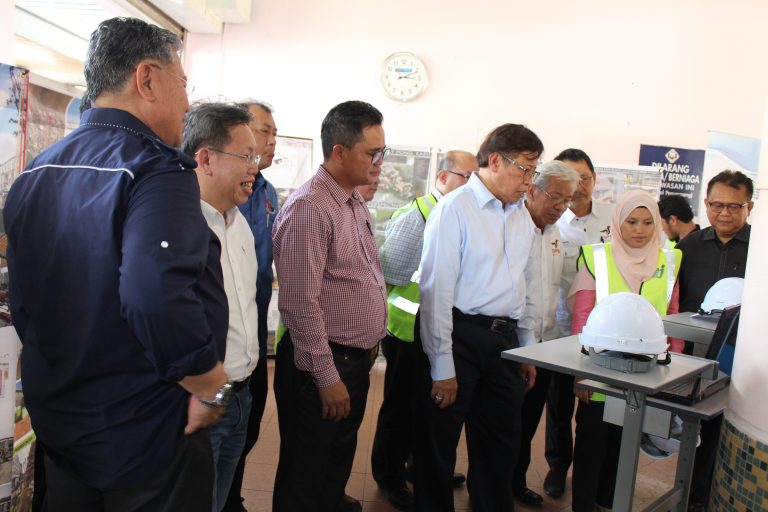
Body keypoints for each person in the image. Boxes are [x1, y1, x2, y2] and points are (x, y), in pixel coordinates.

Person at [3, 17, 228, 511]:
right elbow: (155, 294)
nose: (187, 104)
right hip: (146, 432)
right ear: (146, 78)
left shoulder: (35, 173)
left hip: (63, 424)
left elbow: (24, 307)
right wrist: (206, 380)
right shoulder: (156, 170)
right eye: (183, 84)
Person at [414, 124, 540, 512]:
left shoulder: (521, 216)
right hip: (460, 336)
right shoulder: (455, 209)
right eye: (525, 169)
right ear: (496, 161)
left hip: (505, 343)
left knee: (500, 443)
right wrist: (442, 366)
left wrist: (528, 348)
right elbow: (437, 293)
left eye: (534, 171)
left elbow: (528, 285)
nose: (529, 182)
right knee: (439, 444)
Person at [271, 100, 387, 512]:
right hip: (324, 363)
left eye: (383, 152)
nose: (379, 163)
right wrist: (326, 376)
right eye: (372, 153)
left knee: (334, 459)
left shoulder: (352, 201)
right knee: (306, 469)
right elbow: (300, 303)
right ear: (339, 151)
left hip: (353, 360)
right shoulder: (311, 207)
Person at [371, 150, 477, 511]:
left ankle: (418, 466)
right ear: (443, 177)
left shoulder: (459, 214)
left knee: (427, 405)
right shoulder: (418, 213)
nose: (472, 185)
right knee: (400, 408)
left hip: (439, 328)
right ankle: (389, 476)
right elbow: (390, 270)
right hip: (407, 327)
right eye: (466, 177)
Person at [568, 190, 683, 512]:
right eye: (631, 222)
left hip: (646, 374)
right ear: (618, 223)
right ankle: (583, 505)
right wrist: (581, 373)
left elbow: (674, 317)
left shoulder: (669, 259)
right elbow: (581, 317)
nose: (639, 229)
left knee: (625, 444)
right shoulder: (597, 257)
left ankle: (609, 503)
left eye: (647, 222)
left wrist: (673, 370)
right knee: (592, 443)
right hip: (599, 372)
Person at [182, 102, 261, 511]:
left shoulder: (239, 222)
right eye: (245, 157)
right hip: (200, 401)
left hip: (239, 395)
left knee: (221, 497)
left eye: (256, 158)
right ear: (206, 159)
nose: (254, 168)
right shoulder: (181, 225)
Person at [676, 170, 753, 512]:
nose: (724, 213)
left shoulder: (760, 248)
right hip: (694, 353)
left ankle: (707, 498)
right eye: (717, 204)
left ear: (749, 206)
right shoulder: (689, 245)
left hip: (740, 356)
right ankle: (690, 496)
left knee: (725, 429)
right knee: (694, 428)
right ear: (706, 203)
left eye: (734, 206)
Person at [544, 148, 613, 498]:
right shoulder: (551, 221)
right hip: (560, 331)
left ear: (594, 179)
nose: (579, 186)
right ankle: (557, 467)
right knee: (558, 405)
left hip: (602, 334)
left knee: (592, 406)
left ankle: (589, 475)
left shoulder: (613, 220)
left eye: (584, 178)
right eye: (570, 179)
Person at [512, 161, 580, 507]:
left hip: (543, 346)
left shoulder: (555, 234)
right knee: (503, 424)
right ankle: (490, 487)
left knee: (527, 423)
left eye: (567, 200)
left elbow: (551, 291)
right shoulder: (512, 226)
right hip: (511, 344)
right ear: (533, 189)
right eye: (555, 197)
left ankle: (515, 481)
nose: (561, 207)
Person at [224, 99, 279, 512]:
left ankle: (232, 496)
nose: (272, 141)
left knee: (249, 417)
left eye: (275, 133)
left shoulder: (267, 191)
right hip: (222, 329)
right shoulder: (223, 187)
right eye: (265, 131)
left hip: (255, 323)